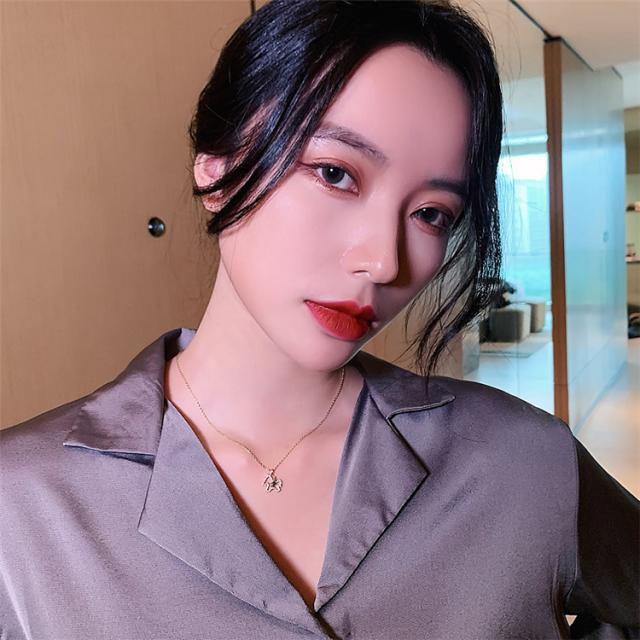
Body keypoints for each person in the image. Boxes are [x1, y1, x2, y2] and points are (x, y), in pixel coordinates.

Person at [1, 1, 638, 638]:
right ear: (217, 173)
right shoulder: (21, 505)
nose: (383, 260)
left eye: (431, 214)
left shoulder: (525, 462)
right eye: (335, 174)